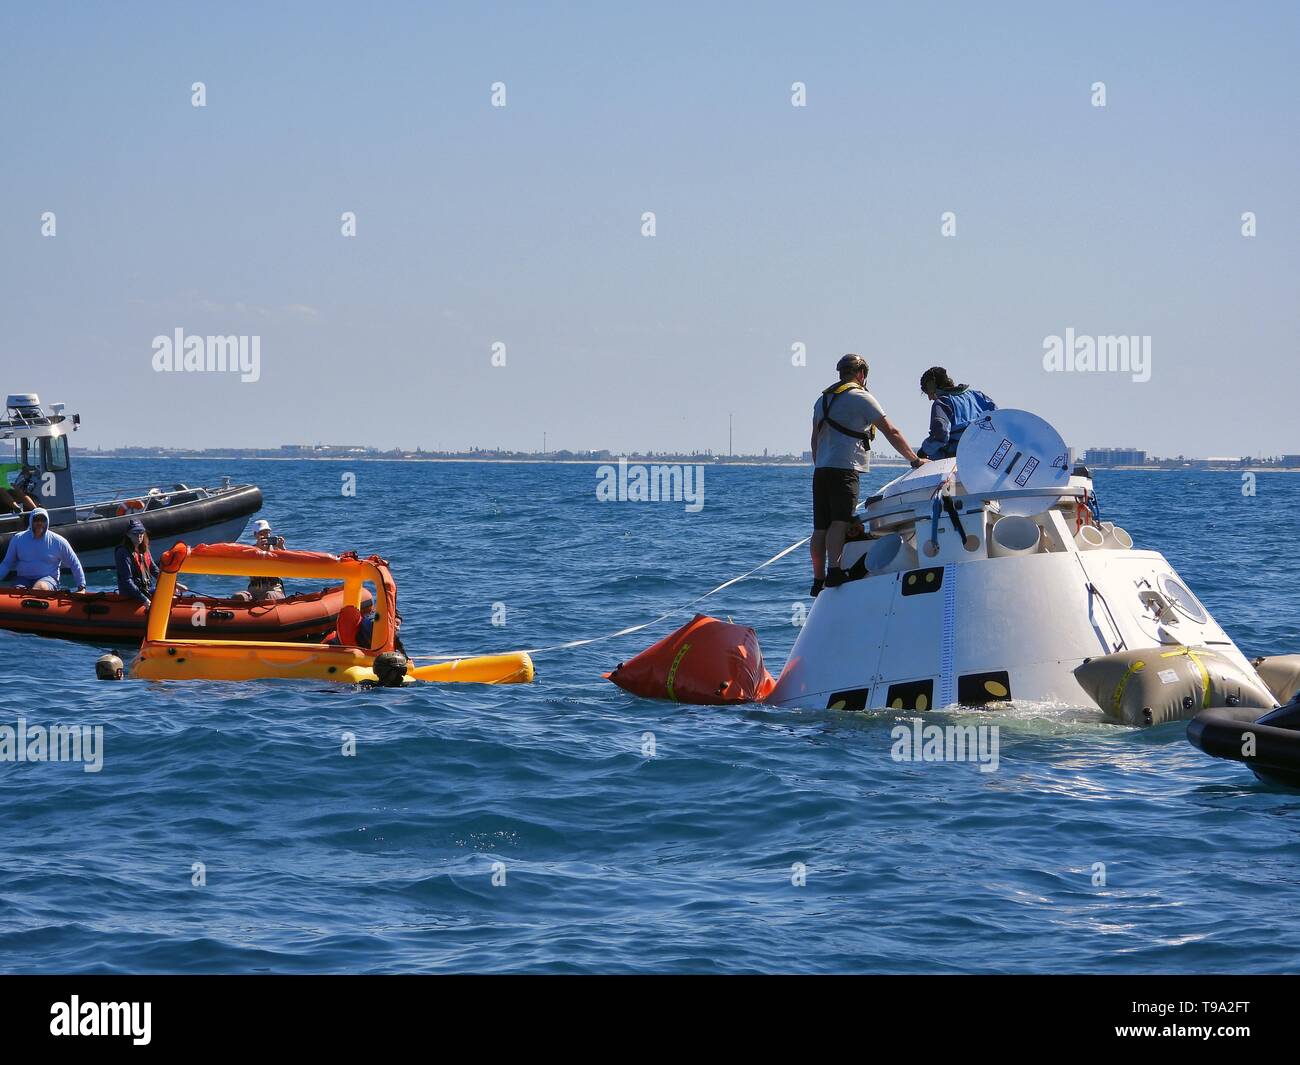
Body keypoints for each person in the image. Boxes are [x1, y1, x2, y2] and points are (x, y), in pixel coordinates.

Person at [811, 354, 926, 595]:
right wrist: (914, 459)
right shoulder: (861, 397)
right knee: (839, 522)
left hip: (821, 470)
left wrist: (819, 463)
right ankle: (834, 572)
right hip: (844, 469)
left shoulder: (822, 400)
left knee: (820, 527)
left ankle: (818, 579)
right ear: (862, 373)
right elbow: (891, 430)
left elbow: (815, 440)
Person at [917, 367, 997, 460]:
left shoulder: (943, 403)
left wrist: (923, 452)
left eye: (928, 392)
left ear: (932, 388)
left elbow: (940, 434)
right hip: (988, 453)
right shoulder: (977, 395)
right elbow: (998, 418)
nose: (930, 398)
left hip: (960, 459)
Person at [0, 507, 86, 592]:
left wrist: (81, 587)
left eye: (43, 520)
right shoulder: (18, 539)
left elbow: (74, 563)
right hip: (23, 578)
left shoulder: (59, 541)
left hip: (48, 580)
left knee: (39, 587)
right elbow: (7, 563)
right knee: (16, 590)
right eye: (36, 519)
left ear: (47, 522)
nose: (39, 523)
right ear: (31, 521)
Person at [233, 519, 286, 601]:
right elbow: (243, 567)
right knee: (238, 597)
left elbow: (286, 565)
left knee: (268, 596)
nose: (265, 536)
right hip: (254, 590)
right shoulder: (250, 551)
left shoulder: (277, 550)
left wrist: (282, 549)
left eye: (267, 532)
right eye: (261, 533)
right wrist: (258, 549)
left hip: (273, 589)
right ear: (255, 535)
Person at [115, 519, 160, 610]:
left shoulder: (144, 550)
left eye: (141, 532)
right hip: (131, 594)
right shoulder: (123, 552)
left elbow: (154, 570)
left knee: (166, 591)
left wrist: (174, 584)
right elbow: (127, 580)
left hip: (146, 590)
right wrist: (144, 599)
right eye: (135, 532)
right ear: (128, 534)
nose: (139, 535)